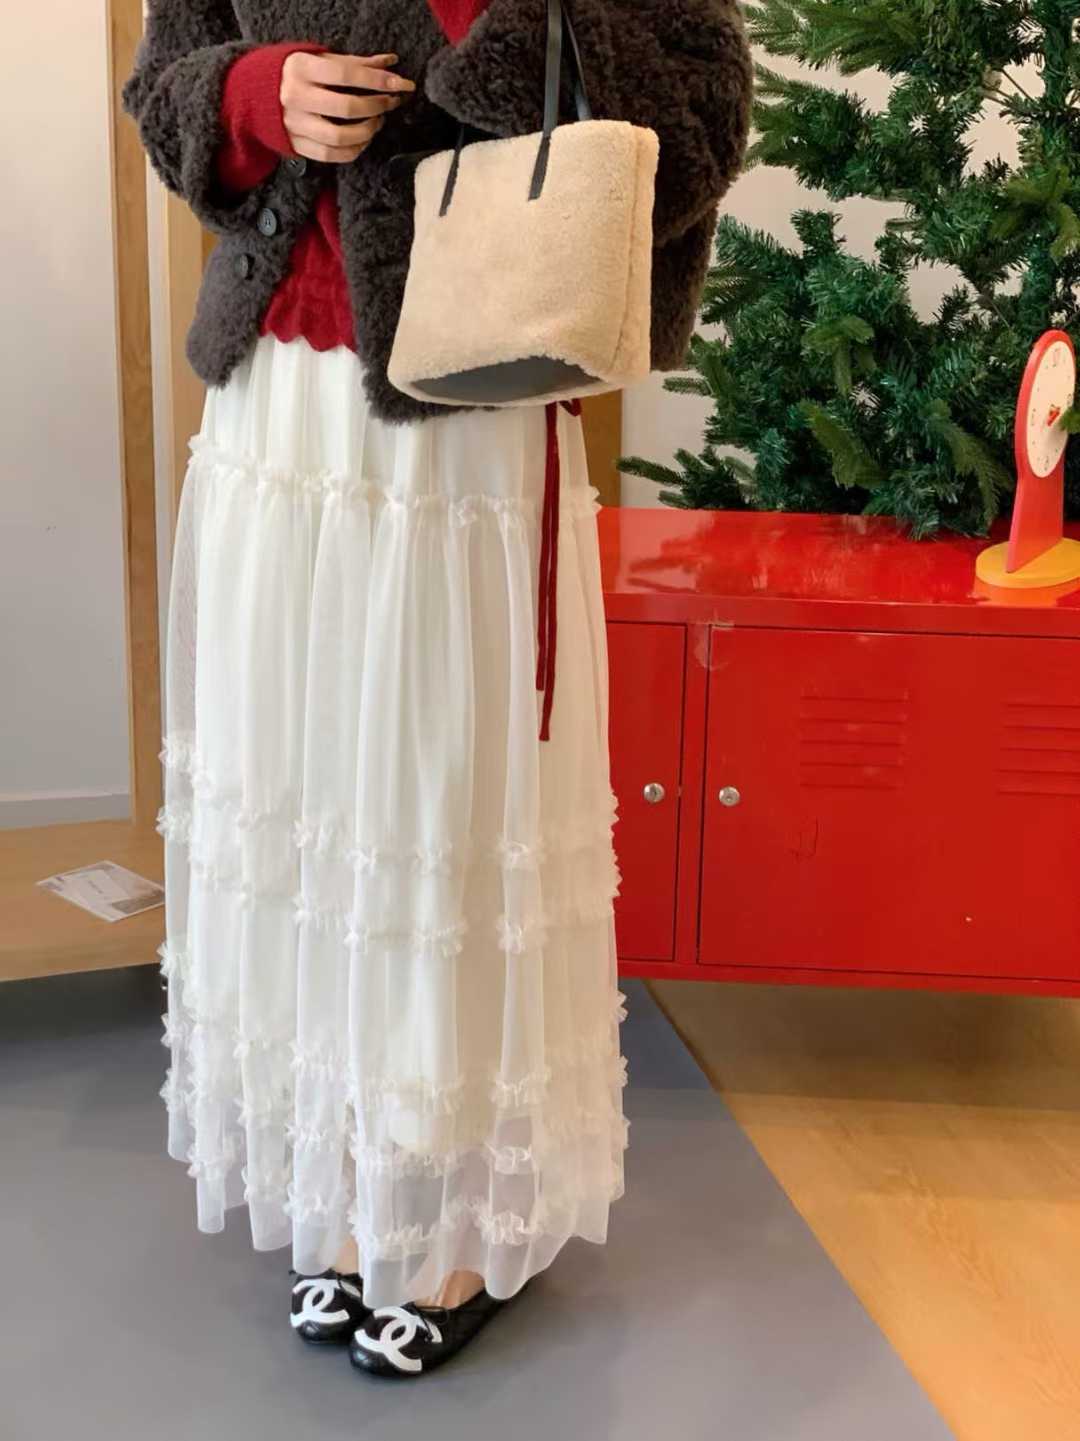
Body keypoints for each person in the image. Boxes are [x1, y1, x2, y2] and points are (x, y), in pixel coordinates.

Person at [122, 0, 752, 1379]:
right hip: (277, 414)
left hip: (470, 396)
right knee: (305, 796)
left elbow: (703, 122)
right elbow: (163, 90)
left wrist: (495, 39)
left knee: (444, 806)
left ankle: (457, 1216)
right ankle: (351, 1192)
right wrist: (257, 95)